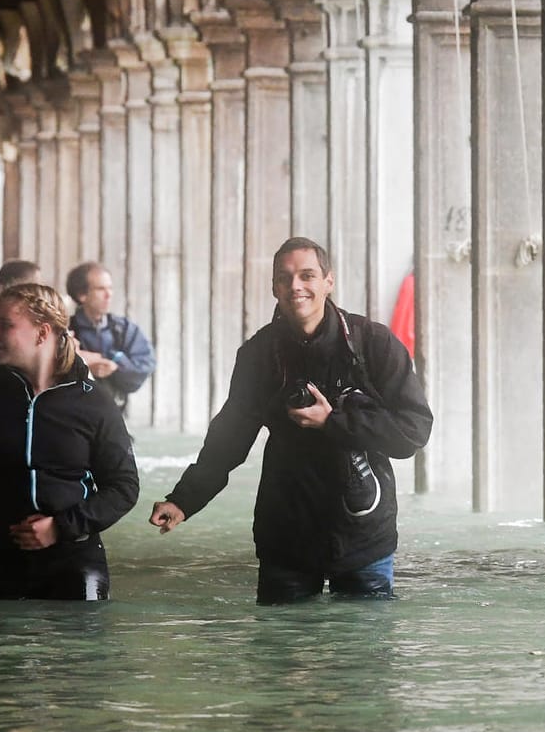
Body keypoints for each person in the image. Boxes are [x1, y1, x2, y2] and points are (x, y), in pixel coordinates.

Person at [148, 237, 432, 603]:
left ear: (329, 282)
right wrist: (183, 501)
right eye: (285, 278)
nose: (296, 286)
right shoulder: (259, 354)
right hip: (286, 532)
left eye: (307, 275)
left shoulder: (374, 343)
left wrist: (333, 422)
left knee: (364, 656)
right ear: (274, 287)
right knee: (281, 653)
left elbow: (413, 432)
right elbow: (228, 438)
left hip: (363, 533)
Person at [0, 282, 139, 600]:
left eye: (5, 325)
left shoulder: (94, 403)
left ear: (42, 333)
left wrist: (60, 527)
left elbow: (123, 488)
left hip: (72, 562)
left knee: (77, 651)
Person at [66, 262, 156, 415]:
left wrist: (116, 366)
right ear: (82, 295)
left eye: (110, 288)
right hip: (74, 414)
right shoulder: (67, 330)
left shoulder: (124, 329)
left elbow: (145, 366)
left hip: (115, 415)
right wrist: (84, 366)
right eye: (101, 289)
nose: (109, 295)